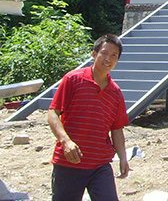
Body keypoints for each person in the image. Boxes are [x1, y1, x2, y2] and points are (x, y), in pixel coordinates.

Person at [47, 34, 129, 201]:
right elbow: (53, 113)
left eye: (114, 55)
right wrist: (66, 141)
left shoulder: (116, 93)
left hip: (100, 164)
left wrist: (123, 157)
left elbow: (116, 129)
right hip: (70, 161)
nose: (108, 59)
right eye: (104, 53)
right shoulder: (73, 79)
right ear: (94, 54)